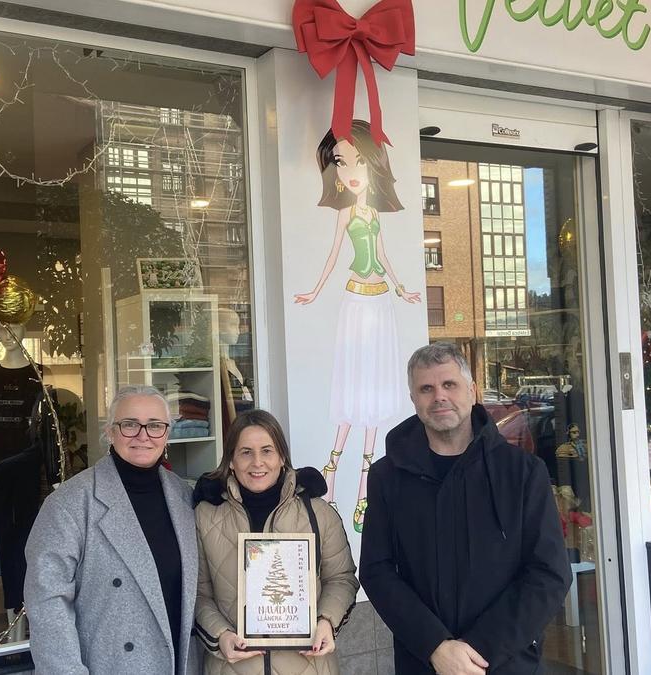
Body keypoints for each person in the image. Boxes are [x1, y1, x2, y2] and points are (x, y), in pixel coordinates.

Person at [360, 343, 571, 675]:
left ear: (472, 391)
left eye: (449, 385)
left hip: (507, 663)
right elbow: (377, 570)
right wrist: (435, 646)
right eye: (426, 389)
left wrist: (476, 652)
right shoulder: (388, 477)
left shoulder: (522, 473)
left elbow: (549, 574)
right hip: (425, 663)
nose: (439, 396)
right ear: (413, 399)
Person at [293, 119, 422, 532]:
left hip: (380, 299)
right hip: (354, 298)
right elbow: (334, 252)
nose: (350, 170)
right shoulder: (346, 210)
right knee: (352, 382)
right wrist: (314, 291)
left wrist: (402, 289)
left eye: (359, 161)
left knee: (374, 387)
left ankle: (364, 484)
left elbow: (381, 254)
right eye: (341, 161)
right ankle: (331, 474)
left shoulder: (375, 212)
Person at [25, 385, 199, 674]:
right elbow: (47, 607)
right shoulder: (69, 504)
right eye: (130, 424)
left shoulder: (184, 496)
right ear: (110, 431)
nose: (143, 436)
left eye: (155, 425)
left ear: (167, 434)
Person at [192, 410, 359, 674]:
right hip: (233, 667)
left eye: (267, 451)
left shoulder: (319, 513)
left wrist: (326, 621)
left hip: (308, 666)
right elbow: (198, 593)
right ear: (231, 461)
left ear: (282, 457)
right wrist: (220, 635)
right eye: (246, 452)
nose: (257, 462)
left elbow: (341, 578)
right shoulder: (205, 516)